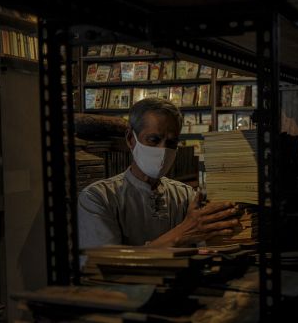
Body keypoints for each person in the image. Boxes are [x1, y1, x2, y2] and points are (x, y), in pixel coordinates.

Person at [78, 98, 240, 248]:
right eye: (154, 140)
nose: (163, 150)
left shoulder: (185, 196)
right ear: (130, 139)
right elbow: (106, 264)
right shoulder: (98, 198)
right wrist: (182, 233)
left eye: (171, 142)